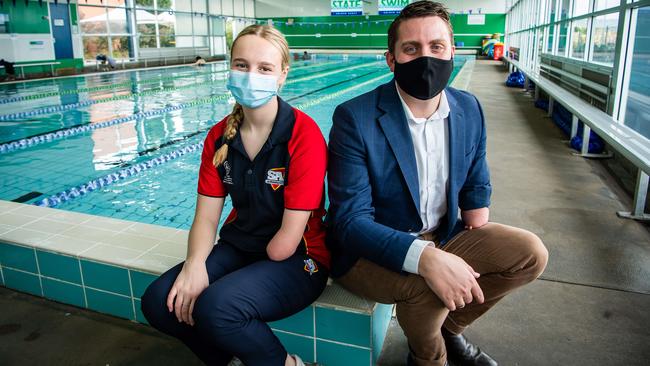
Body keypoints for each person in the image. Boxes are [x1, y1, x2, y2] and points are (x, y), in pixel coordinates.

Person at [326, 2, 548, 366]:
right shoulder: (356, 117)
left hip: (442, 234)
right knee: (429, 289)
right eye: (411, 49)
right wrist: (426, 259)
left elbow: (475, 167)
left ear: (453, 51)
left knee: (529, 252)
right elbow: (350, 221)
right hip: (369, 251)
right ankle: (429, 357)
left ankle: (450, 328)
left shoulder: (468, 107)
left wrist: (476, 210)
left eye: (436, 47)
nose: (425, 58)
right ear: (391, 59)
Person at [141, 24, 330, 366]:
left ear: (282, 75)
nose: (250, 75)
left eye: (264, 68)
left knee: (218, 306)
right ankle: (232, 359)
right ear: (229, 67)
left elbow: (286, 241)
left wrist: (226, 284)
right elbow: (206, 217)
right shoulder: (219, 137)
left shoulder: (304, 135)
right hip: (239, 247)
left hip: (297, 258)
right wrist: (196, 265)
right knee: (160, 301)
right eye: (241, 65)